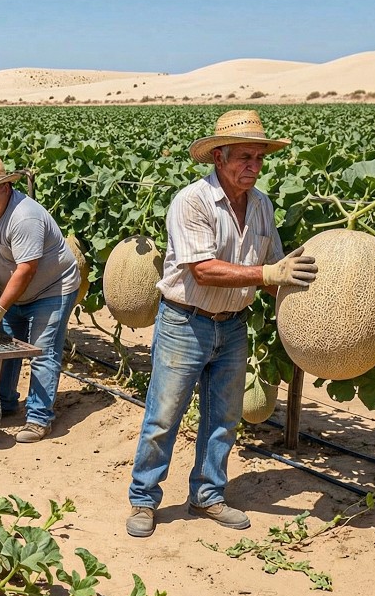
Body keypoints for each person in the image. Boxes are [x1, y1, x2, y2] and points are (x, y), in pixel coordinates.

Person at [126, 110, 317, 538]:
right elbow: (203, 270)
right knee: (163, 417)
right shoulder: (191, 201)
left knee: (224, 419)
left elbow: (276, 268)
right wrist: (269, 275)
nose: (253, 166)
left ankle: (208, 495)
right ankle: (143, 499)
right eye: (243, 157)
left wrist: (319, 292)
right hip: (184, 323)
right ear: (218, 157)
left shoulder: (263, 205)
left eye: (259, 157)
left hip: (233, 326)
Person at [0, 156, 81, 444]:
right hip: (12, 286)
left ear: (6, 187)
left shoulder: (25, 216)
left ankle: (39, 418)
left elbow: (26, 269)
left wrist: (0, 307)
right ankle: (3, 402)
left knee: (42, 350)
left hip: (53, 287)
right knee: (5, 346)